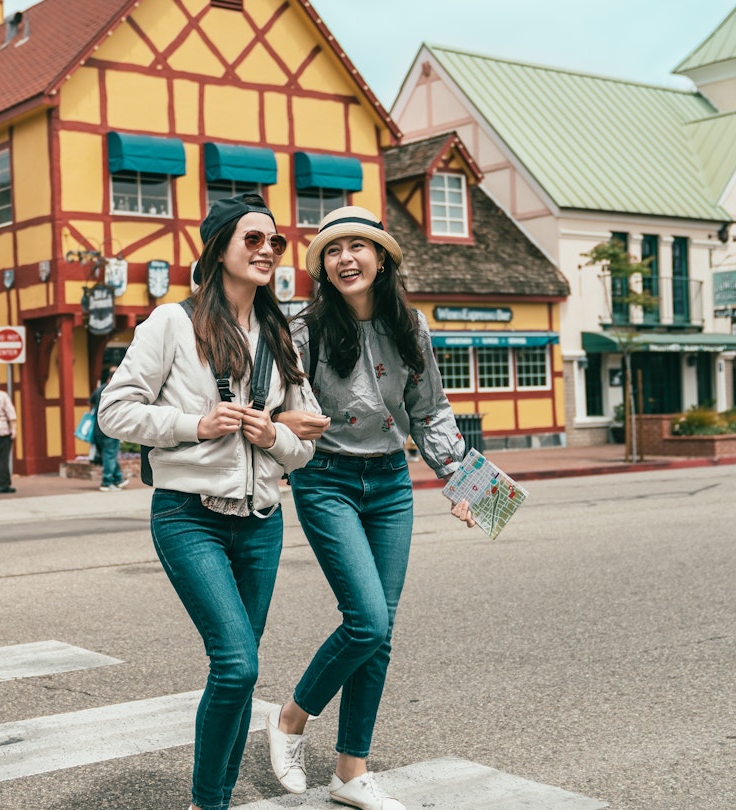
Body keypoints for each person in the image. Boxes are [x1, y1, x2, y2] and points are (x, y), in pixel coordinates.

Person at [98, 193, 321, 810]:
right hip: (189, 516)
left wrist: (271, 433)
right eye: (253, 239)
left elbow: (302, 449)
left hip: (262, 522)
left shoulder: (280, 336)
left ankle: (212, 800)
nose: (267, 251)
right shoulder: (172, 322)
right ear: (219, 248)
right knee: (236, 665)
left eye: (275, 242)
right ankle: (208, 802)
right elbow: (113, 412)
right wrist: (196, 424)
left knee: (239, 675)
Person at [267, 206, 475, 810]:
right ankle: (291, 716)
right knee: (368, 621)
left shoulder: (410, 325)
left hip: (389, 484)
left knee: (379, 634)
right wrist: (282, 424)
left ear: (381, 259)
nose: (345, 258)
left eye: (359, 247)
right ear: (323, 267)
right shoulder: (301, 330)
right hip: (326, 480)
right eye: (333, 250)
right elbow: (270, 404)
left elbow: (429, 410)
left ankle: (350, 773)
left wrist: (462, 479)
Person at [88, 365, 127, 491]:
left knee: (108, 455)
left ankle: (118, 478)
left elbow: (91, 402)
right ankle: (106, 482)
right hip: (111, 430)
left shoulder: (99, 390)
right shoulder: (114, 391)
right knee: (110, 456)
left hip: (97, 430)